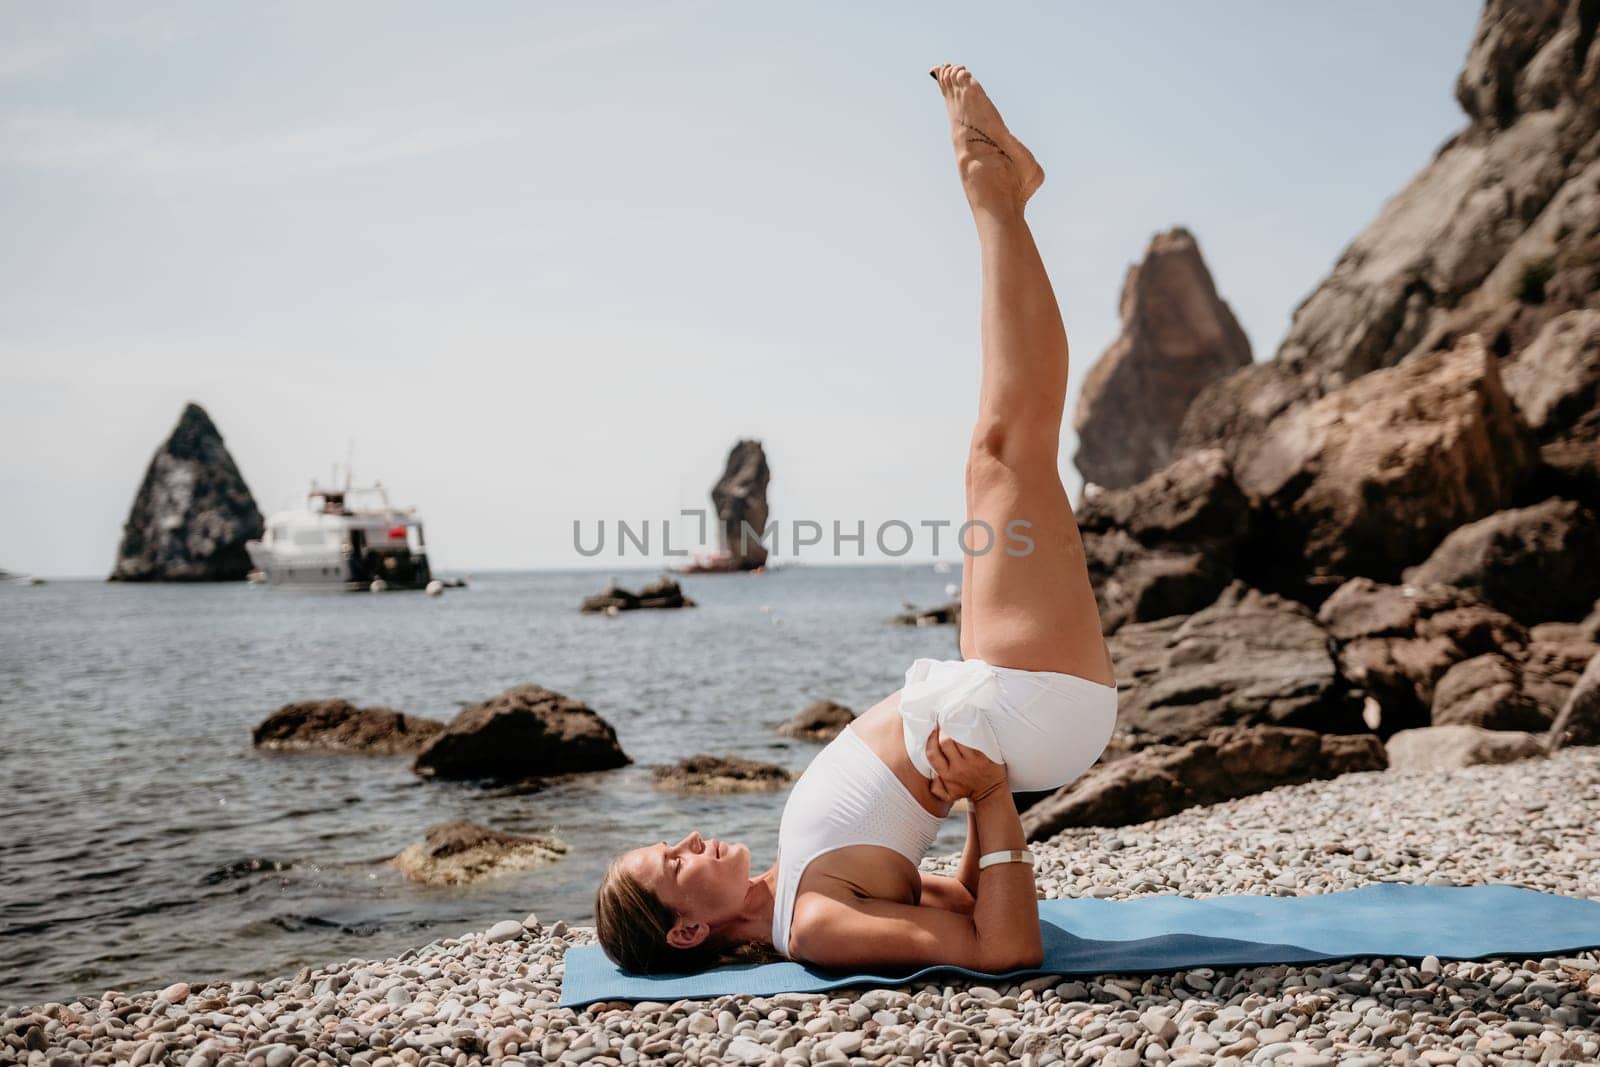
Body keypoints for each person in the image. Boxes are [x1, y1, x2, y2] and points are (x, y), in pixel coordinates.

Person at [594, 64, 1119, 975]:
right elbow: (1005, 949)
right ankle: (997, 197)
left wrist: (976, 806)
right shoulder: (813, 928)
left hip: (1008, 708)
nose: (684, 837)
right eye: (670, 864)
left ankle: (1004, 200)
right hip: (1024, 707)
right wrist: (992, 795)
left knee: (1002, 453)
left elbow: (964, 901)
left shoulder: (803, 883)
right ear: (686, 929)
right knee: (1005, 452)